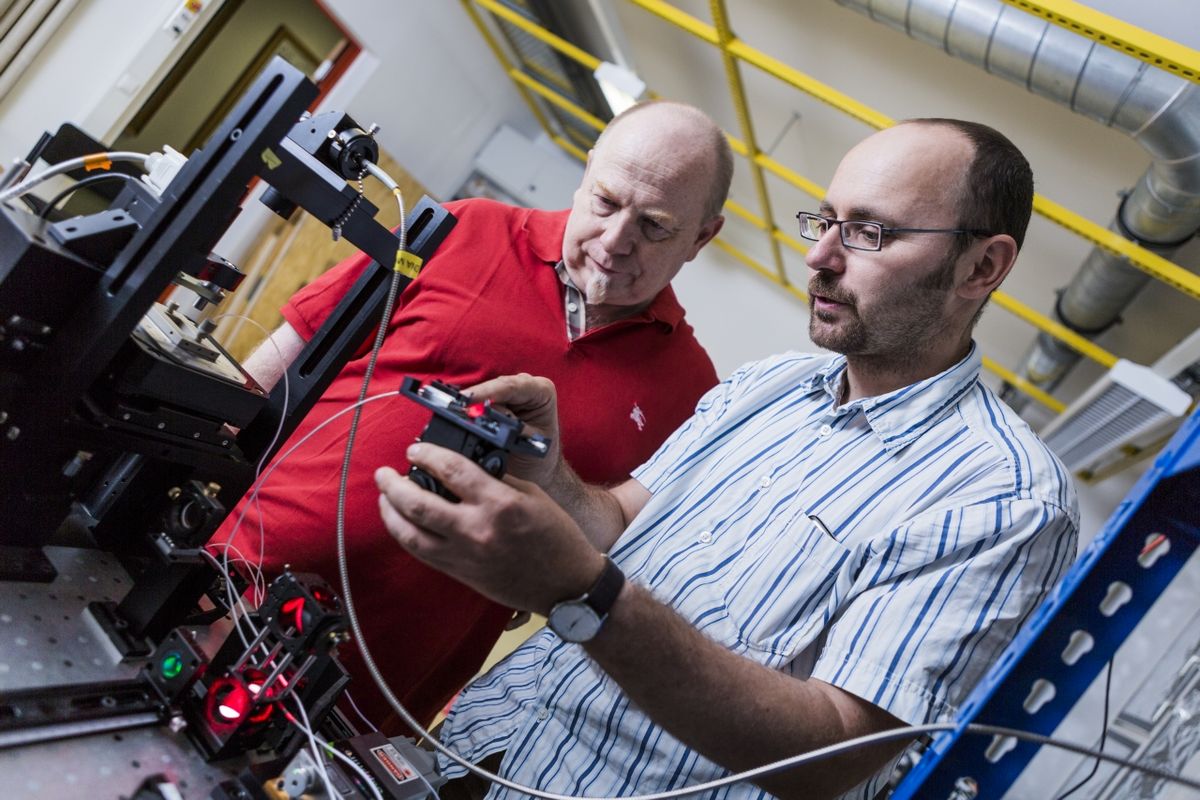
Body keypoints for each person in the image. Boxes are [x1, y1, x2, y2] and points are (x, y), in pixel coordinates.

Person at [374, 118, 1080, 799]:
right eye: (825, 221)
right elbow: (621, 522)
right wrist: (548, 470)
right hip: (473, 757)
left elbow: (832, 757)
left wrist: (582, 593)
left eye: (869, 233)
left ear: (982, 266)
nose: (820, 256)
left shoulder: (1004, 498)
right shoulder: (769, 384)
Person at [217, 100, 733, 730]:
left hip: (376, 685)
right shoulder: (464, 228)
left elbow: (615, 559)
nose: (615, 240)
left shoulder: (695, 394)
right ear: (587, 170)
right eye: (604, 202)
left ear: (703, 235)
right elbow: (283, 358)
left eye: (654, 226)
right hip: (230, 578)